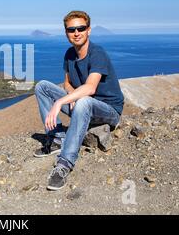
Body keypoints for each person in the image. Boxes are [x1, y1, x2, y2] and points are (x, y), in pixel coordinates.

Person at [33, 10, 124, 190]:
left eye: (80, 28)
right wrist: (73, 93)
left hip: (108, 110)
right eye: (71, 29)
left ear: (88, 30)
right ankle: (57, 139)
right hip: (83, 105)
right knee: (41, 86)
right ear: (66, 32)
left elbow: (90, 88)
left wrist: (61, 102)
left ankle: (65, 163)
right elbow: (67, 83)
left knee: (84, 101)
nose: (76, 33)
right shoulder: (69, 54)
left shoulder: (97, 53)